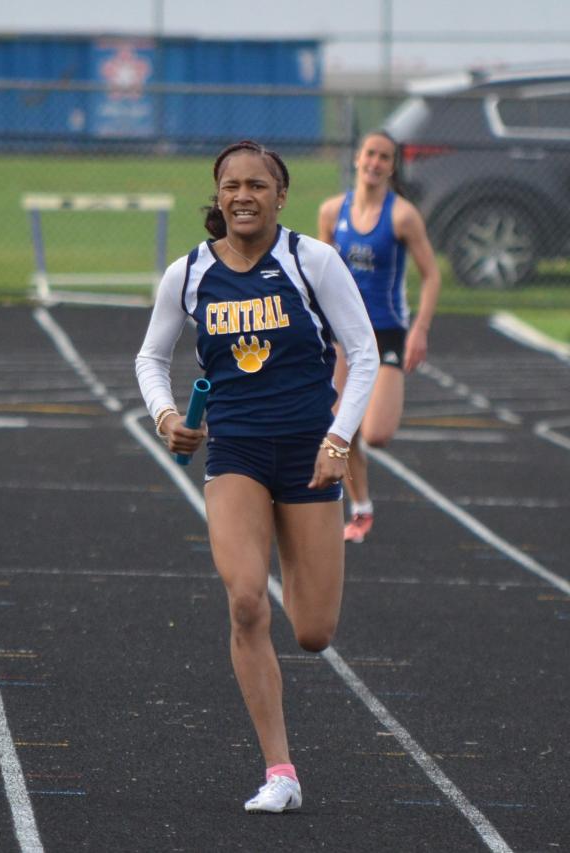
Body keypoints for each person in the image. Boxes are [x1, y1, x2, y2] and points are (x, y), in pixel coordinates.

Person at [135, 140, 378, 813]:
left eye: (257, 185)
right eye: (231, 185)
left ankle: (306, 589)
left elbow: (363, 354)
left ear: (280, 195)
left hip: (308, 453)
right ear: (218, 196)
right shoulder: (187, 274)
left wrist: (338, 440)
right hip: (235, 454)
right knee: (245, 600)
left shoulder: (311, 261)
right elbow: (150, 357)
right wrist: (164, 416)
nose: (243, 196)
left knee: (313, 631)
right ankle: (280, 770)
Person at [317, 129, 441, 543]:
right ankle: (361, 508)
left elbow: (431, 275)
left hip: (386, 333)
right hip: (341, 334)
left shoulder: (403, 216)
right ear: (357, 158)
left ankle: (359, 500)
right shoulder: (333, 212)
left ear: (392, 166)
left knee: (376, 434)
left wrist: (419, 330)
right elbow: (317, 273)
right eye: (370, 154)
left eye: (384, 157)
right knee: (340, 425)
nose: (374, 162)